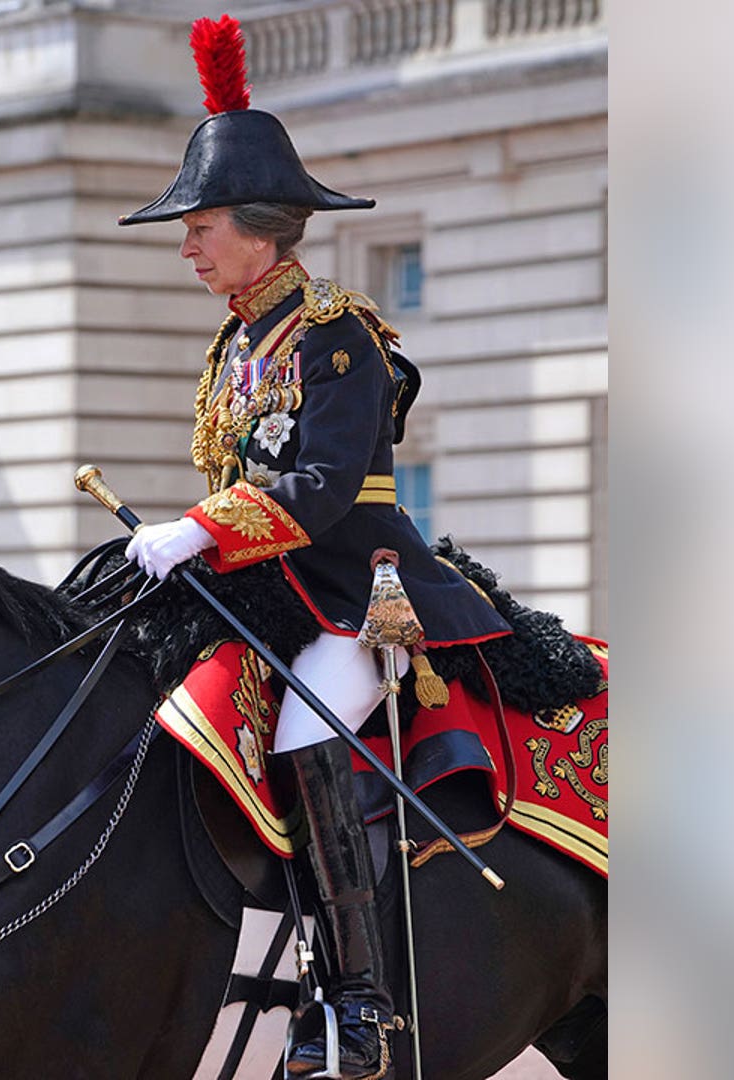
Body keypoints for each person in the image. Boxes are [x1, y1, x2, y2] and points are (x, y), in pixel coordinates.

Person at [116, 17, 512, 1079]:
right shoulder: (237, 339)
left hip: (357, 585)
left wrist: (198, 529)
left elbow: (325, 487)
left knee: (304, 730)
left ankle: (364, 1003)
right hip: (262, 581)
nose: (187, 246)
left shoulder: (337, 332)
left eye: (198, 227)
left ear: (259, 228)